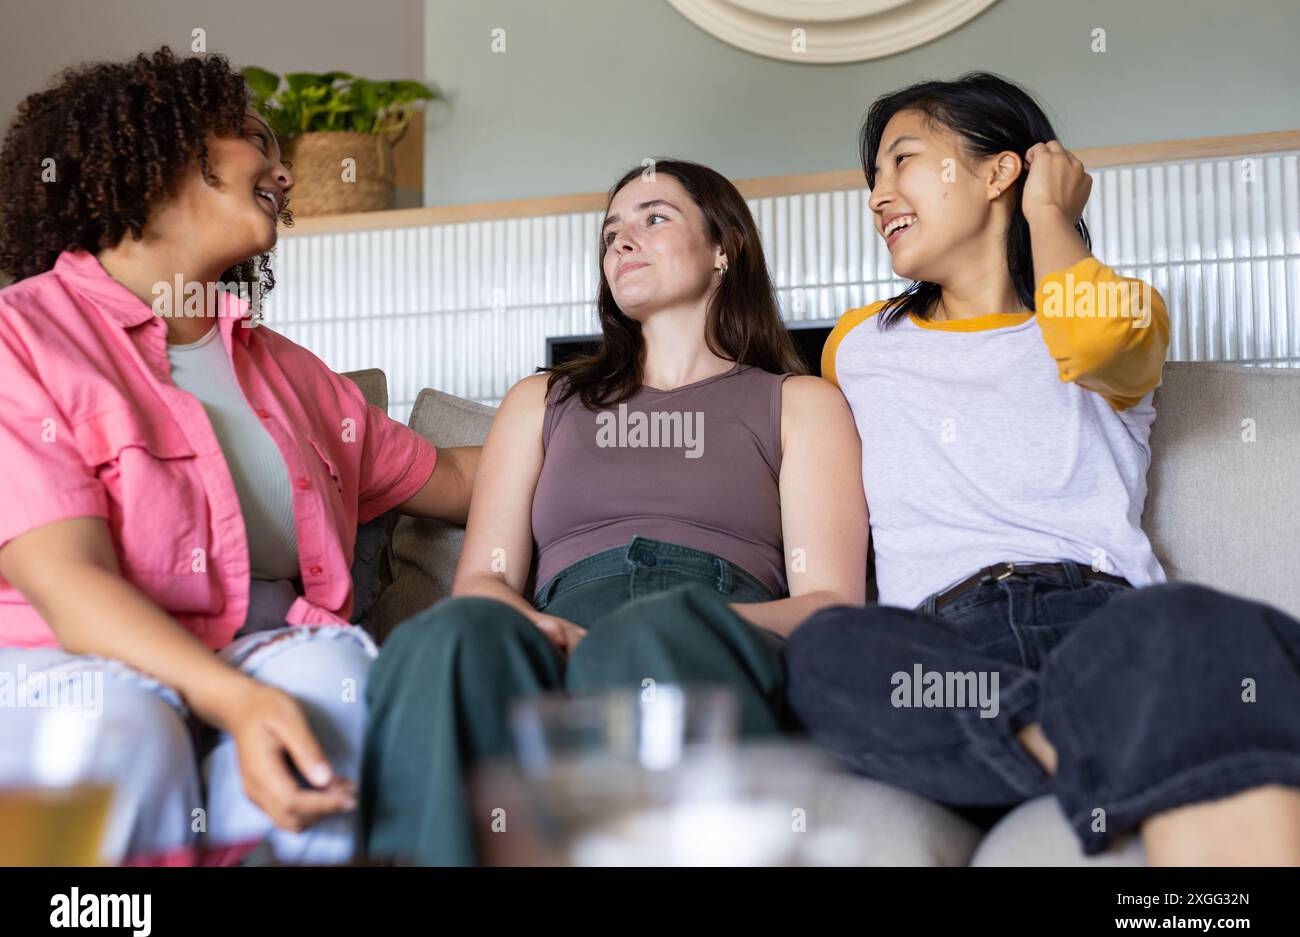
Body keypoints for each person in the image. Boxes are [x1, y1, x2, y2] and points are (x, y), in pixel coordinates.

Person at [783, 72, 1300, 865]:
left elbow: (1089, 344)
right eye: (874, 177)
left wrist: (1051, 215)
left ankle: (1074, 750)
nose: (877, 195)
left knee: (1204, 622)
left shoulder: (1123, 312)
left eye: (904, 161)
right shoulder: (853, 347)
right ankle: (1112, 749)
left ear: (1000, 171)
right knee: (829, 651)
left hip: (1104, 627)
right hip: (946, 651)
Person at [0, 47, 478, 864]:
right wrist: (238, 703)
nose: (283, 172)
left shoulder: (288, 371)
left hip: (262, 644)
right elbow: (69, 584)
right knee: (128, 731)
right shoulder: (23, 335)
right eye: (256, 137)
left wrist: (607, 404)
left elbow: (459, 478)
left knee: (336, 685)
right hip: (70, 660)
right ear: (160, 150)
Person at [362, 159, 868, 865]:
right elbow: (484, 578)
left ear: (726, 249)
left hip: (706, 619)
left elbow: (829, 601)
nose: (622, 241)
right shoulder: (542, 401)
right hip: (558, 624)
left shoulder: (798, 402)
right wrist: (539, 624)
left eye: (653, 217)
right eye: (610, 234)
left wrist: (691, 620)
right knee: (446, 637)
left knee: (647, 638)